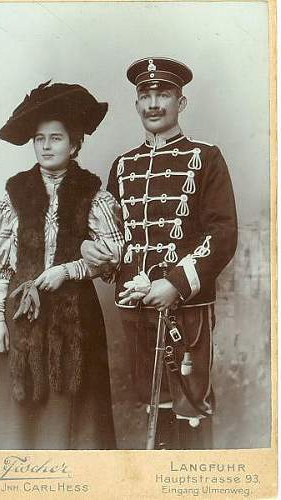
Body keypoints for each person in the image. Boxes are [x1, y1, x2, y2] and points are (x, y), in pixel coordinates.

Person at [81, 57, 238, 449]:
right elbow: (114, 236)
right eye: (145, 95)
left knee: (190, 403)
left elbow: (223, 234)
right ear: (136, 104)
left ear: (180, 103)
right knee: (153, 404)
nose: (153, 104)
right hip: (135, 307)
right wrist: (94, 251)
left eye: (163, 94)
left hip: (186, 303)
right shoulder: (122, 166)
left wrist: (176, 284)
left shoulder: (205, 157)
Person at [0, 80, 124, 450]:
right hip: (23, 315)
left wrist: (70, 270)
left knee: (74, 414)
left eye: (56, 138)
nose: (46, 146)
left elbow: (114, 252)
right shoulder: (16, 191)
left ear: (75, 144)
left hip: (76, 318)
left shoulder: (93, 193)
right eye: (40, 138)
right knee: (18, 418)